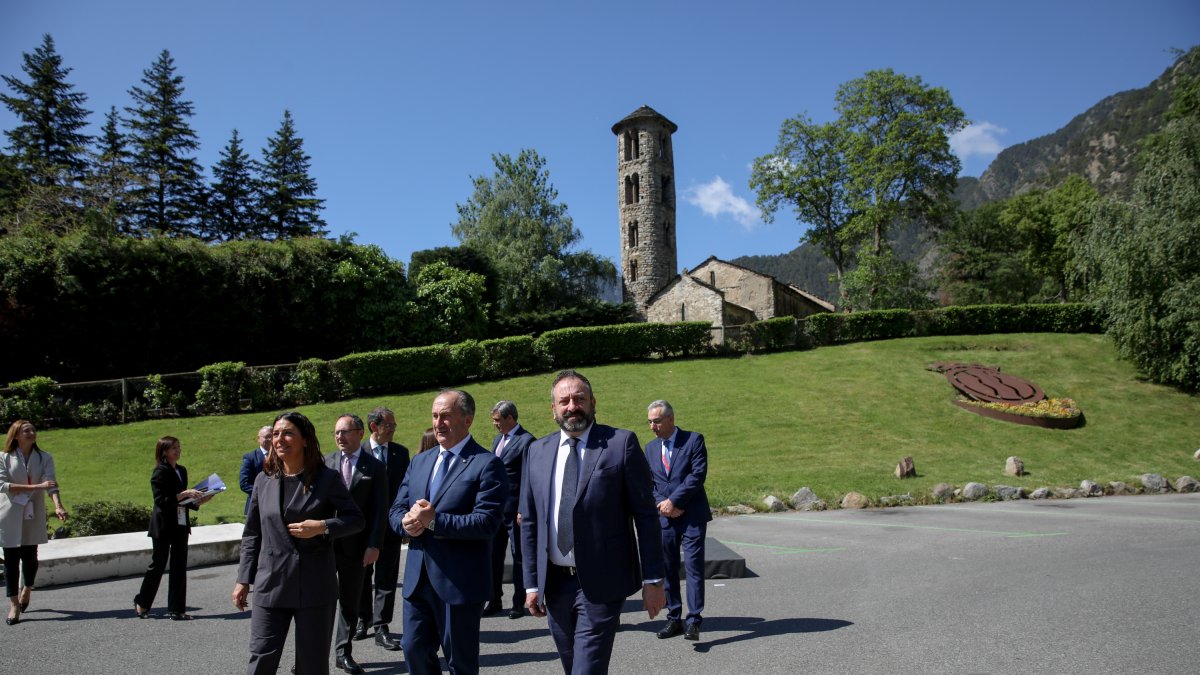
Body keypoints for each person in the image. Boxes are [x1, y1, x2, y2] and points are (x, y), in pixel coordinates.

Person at [520, 370, 665, 674]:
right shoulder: (536, 451)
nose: (572, 406)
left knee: (586, 670)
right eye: (564, 401)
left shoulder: (619, 444)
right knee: (573, 665)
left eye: (579, 399)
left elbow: (646, 516)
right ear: (553, 409)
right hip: (555, 586)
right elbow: (531, 521)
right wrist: (532, 583)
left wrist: (654, 580)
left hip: (601, 583)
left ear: (592, 402)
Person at [232, 411, 364, 675]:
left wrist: (323, 527)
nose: (280, 439)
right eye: (276, 434)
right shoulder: (263, 480)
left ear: (305, 440)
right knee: (261, 658)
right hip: (271, 583)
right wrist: (243, 578)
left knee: (312, 664)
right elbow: (252, 534)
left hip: (314, 585)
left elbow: (356, 519)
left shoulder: (327, 479)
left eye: (288, 433)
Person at [389, 389, 507, 675]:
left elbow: (486, 523)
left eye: (446, 416)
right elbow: (395, 510)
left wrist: (434, 521)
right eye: (434, 416)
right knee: (413, 649)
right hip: (418, 580)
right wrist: (404, 523)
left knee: (461, 663)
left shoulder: (486, 464)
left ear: (467, 419)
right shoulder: (420, 461)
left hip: (459, 583)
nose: (438, 422)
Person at [324, 414, 387, 675]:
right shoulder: (326, 463)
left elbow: (380, 510)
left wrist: (374, 544)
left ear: (360, 433)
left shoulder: (375, 467)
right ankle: (311, 654)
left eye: (345, 431)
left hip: (357, 547)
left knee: (349, 602)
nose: (340, 436)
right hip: (324, 546)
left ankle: (342, 652)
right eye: (336, 432)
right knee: (319, 602)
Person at [645, 400, 711, 642]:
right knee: (668, 568)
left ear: (671, 419)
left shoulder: (693, 440)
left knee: (693, 568)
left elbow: (697, 476)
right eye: (650, 422)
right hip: (665, 517)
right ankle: (674, 618)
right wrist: (663, 504)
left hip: (692, 516)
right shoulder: (650, 449)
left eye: (657, 421)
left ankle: (694, 620)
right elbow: (649, 483)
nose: (653, 426)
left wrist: (674, 501)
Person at [135, 436, 214, 620]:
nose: (178, 451)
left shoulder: (181, 470)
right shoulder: (159, 472)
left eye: (179, 447)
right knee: (158, 564)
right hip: (163, 525)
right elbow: (161, 501)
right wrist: (182, 495)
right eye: (174, 449)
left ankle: (177, 609)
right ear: (164, 451)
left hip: (180, 524)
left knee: (179, 566)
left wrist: (198, 500)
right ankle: (142, 602)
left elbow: (183, 500)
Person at [0, 420, 69, 625]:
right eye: (26, 430)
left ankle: (27, 588)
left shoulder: (44, 457)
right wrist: (36, 486)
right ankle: (14, 604)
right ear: (16, 435)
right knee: (11, 561)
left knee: (30, 557)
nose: (31, 433)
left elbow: (51, 483)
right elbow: (2, 485)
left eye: (33, 430)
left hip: (34, 512)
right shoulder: (4, 457)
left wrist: (58, 505)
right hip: (10, 513)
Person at [356, 406, 410, 651]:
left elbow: (405, 490)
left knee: (387, 577)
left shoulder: (400, 453)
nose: (392, 429)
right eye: (388, 425)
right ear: (373, 426)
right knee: (362, 577)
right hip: (362, 529)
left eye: (394, 425)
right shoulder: (359, 453)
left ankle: (381, 626)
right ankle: (362, 619)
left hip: (390, 526)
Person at [485, 400, 535, 619]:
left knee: (518, 557)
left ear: (510, 418)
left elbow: (528, 478)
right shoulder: (498, 440)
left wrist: (523, 508)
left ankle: (518, 602)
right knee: (493, 556)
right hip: (496, 510)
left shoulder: (526, 441)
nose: (495, 425)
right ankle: (494, 599)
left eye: (498, 420)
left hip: (515, 510)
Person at [240, 426, 273, 514]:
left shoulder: (281, 456)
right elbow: (244, 484)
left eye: (272, 436)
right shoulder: (250, 458)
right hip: (256, 506)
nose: (270, 439)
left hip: (277, 507)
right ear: (258, 439)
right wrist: (265, 493)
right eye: (267, 437)